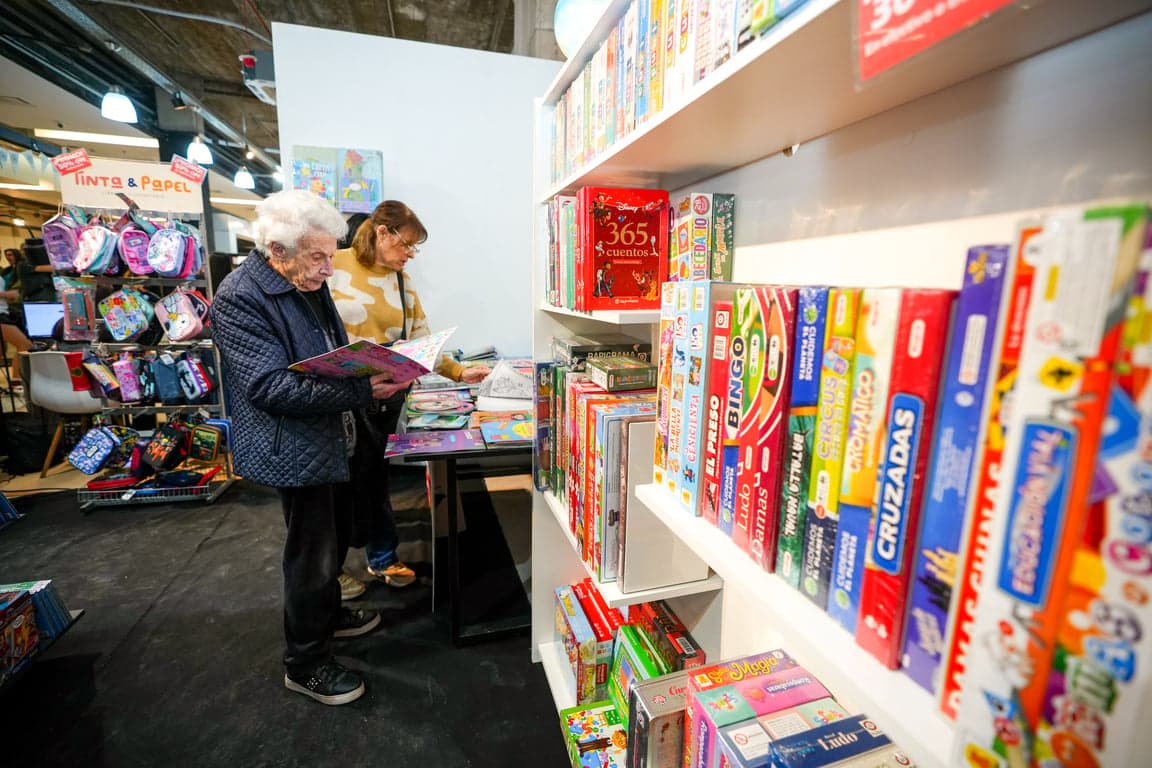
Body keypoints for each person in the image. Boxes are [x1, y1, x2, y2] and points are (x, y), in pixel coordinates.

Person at [211, 190, 407, 706]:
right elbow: (269, 387)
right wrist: (365, 388)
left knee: (337, 535)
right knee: (311, 555)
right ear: (276, 250)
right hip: (295, 445)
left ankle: (328, 616)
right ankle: (305, 662)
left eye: (330, 254)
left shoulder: (302, 281)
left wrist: (368, 367)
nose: (328, 268)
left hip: (332, 434)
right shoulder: (239, 296)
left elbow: (326, 353)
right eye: (318, 257)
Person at [328, 201, 489, 598]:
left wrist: (457, 371)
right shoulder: (333, 264)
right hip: (338, 394)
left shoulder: (403, 281)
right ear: (382, 232)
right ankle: (327, 573)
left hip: (386, 397)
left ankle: (381, 557)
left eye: (415, 248)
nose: (410, 254)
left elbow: (421, 338)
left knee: (374, 480)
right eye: (407, 244)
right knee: (334, 488)